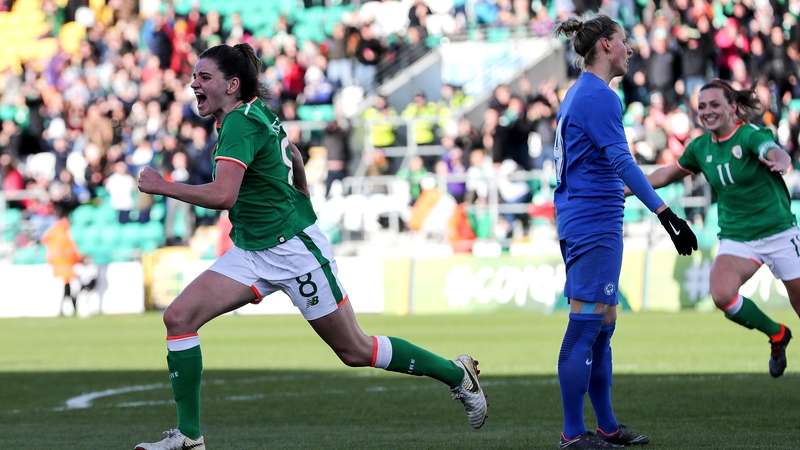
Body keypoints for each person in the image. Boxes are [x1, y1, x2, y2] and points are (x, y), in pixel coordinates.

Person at [134, 43, 487, 450]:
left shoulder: (240, 124)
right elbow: (294, 154)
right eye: (194, 76)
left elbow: (224, 195)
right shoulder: (248, 114)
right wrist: (301, 190)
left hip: (292, 251)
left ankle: (456, 373)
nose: (194, 83)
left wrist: (164, 187)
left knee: (355, 349)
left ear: (232, 85)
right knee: (178, 317)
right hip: (253, 250)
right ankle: (190, 437)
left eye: (204, 77)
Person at [552, 14, 698, 449]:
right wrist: (664, 212)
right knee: (585, 326)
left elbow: (608, 169)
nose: (630, 49)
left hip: (591, 217)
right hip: (593, 223)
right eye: (624, 41)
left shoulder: (583, 94)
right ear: (605, 47)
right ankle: (573, 435)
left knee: (604, 324)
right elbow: (622, 163)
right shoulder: (597, 96)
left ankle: (608, 427)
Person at [633, 78, 796, 378]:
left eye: (714, 105)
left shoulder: (748, 135)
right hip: (738, 237)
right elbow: (668, 173)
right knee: (722, 294)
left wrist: (781, 160)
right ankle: (777, 334)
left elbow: (773, 151)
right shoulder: (700, 147)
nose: (707, 111)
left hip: (779, 232)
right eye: (702, 106)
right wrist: (625, 189)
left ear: (733, 107)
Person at [40, 207, 82, 316]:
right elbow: (71, 251)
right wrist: (78, 258)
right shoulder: (63, 235)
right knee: (70, 289)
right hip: (67, 267)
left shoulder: (52, 232)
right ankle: (71, 309)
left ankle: (64, 310)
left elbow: (44, 240)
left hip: (56, 266)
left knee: (65, 289)